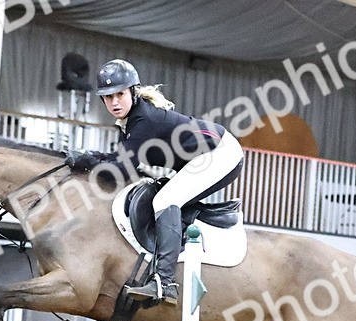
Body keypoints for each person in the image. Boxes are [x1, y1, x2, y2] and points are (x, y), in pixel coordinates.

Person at [67, 59, 245, 306]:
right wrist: (89, 157)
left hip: (221, 153)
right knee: (165, 196)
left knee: (165, 200)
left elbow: (121, 168)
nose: (114, 102)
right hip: (203, 156)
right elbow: (121, 160)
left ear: (132, 92)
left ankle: (165, 283)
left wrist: (87, 160)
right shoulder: (129, 122)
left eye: (120, 94)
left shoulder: (143, 120)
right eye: (108, 97)